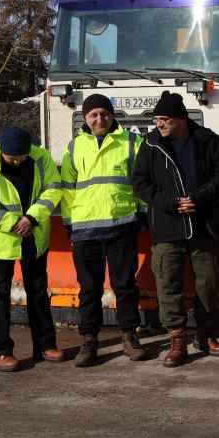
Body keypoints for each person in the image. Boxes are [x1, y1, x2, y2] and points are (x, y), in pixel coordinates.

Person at [132, 91, 219, 366]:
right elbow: (140, 183)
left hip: (204, 224)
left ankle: (206, 333)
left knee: (208, 282)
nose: (159, 124)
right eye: (157, 119)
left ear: (180, 119)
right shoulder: (151, 145)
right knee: (168, 283)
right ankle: (177, 339)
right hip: (167, 226)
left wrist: (198, 198)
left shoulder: (208, 141)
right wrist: (170, 203)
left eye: (164, 119)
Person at [61, 94, 148, 367]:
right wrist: (68, 222)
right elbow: (67, 189)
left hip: (121, 225)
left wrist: (142, 214)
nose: (99, 119)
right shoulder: (74, 147)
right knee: (89, 289)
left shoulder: (132, 142)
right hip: (85, 229)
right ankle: (89, 341)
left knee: (125, 286)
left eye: (104, 114)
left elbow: (142, 182)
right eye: (93, 115)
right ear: (85, 118)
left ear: (112, 115)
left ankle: (129, 336)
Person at [0, 127, 65, 372]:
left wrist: (32, 218)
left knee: (38, 291)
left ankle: (45, 345)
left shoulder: (40, 157)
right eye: (11, 158)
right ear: (1, 150)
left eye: (21, 157)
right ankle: (0, 352)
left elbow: (54, 188)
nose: (17, 162)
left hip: (34, 236)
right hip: (1, 241)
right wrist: (15, 223)